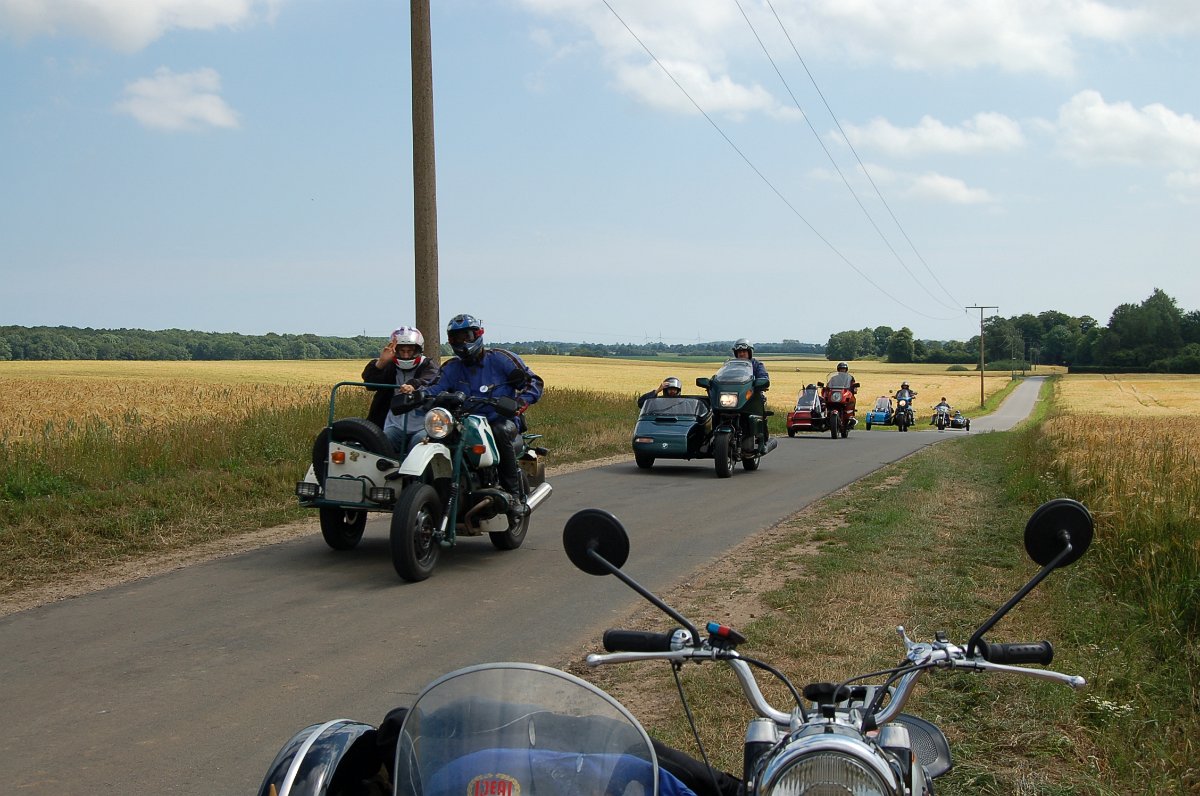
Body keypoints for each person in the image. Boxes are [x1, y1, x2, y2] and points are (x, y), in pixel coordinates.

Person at [416, 314, 544, 514]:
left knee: (499, 431)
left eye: (466, 336)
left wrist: (519, 402)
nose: (462, 342)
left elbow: (533, 382)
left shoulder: (501, 359)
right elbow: (435, 386)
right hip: (463, 423)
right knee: (435, 436)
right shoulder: (452, 367)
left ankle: (514, 495)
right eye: (456, 338)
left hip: (501, 420)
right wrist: (419, 395)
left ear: (478, 334)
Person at [361, 326, 439, 456]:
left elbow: (430, 378)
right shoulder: (389, 365)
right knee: (382, 444)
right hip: (394, 424)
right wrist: (381, 362)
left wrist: (413, 385)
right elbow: (370, 383)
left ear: (418, 350)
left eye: (410, 351)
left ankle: (415, 476)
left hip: (422, 425)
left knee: (418, 445)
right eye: (402, 351)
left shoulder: (428, 365)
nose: (406, 355)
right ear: (394, 351)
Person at [731, 338, 771, 452]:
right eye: (739, 352)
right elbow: (722, 376)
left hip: (752, 396)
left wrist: (760, 382)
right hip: (735, 396)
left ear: (749, 352)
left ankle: (762, 439)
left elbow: (764, 377)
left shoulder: (757, 364)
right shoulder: (730, 365)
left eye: (744, 351)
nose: (741, 354)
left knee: (759, 411)